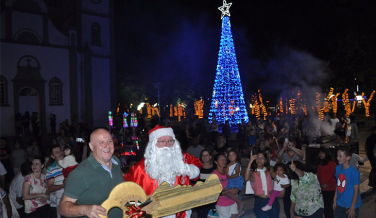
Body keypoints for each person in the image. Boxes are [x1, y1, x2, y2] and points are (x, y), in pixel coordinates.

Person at [124, 124, 202, 218]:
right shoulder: (139, 168)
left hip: (181, 212)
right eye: (162, 141)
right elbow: (126, 192)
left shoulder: (181, 157)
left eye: (170, 141)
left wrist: (187, 169)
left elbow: (197, 163)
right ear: (153, 144)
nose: (167, 144)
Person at [59, 128, 124, 218]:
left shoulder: (115, 161)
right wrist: (86, 210)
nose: (107, 145)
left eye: (109, 141)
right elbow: (62, 208)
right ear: (91, 146)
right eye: (101, 142)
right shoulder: (80, 173)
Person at [244, 150, 280, 217]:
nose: (259, 160)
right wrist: (250, 162)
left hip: (272, 199)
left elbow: (278, 177)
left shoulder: (269, 170)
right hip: (260, 200)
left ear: (266, 160)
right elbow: (246, 178)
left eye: (262, 158)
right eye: (257, 158)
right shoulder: (252, 172)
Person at [333, 145, 362, 218]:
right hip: (340, 203)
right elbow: (338, 185)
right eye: (337, 155)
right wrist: (334, 200)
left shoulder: (354, 172)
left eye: (340, 156)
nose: (337, 158)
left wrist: (352, 207)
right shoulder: (338, 168)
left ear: (348, 157)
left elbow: (356, 190)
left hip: (350, 205)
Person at [211, 153, 239, 218]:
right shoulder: (213, 175)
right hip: (222, 202)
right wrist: (230, 190)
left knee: (235, 215)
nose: (224, 161)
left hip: (232, 199)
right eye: (221, 159)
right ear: (216, 162)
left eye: (225, 159)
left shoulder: (227, 171)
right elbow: (216, 192)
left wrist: (236, 189)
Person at [316, 147, 336, 218]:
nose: (321, 154)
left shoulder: (331, 163)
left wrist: (327, 184)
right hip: (321, 189)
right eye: (320, 153)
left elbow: (335, 176)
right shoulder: (320, 163)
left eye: (323, 152)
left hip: (330, 189)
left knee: (328, 208)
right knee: (324, 207)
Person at [46, 145, 65, 218]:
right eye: (57, 152)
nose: (60, 153)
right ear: (52, 156)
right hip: (58, 202)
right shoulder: (50, 169)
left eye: (60, 151)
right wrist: (63, 185)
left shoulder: (71, 164)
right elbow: (50, 187)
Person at [196, 149, 216, 218]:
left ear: (210, 156)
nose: (205, 157)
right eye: (203, 155)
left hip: (212, 197)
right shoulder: (198, 168)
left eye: (206, 155)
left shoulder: (215, 168)